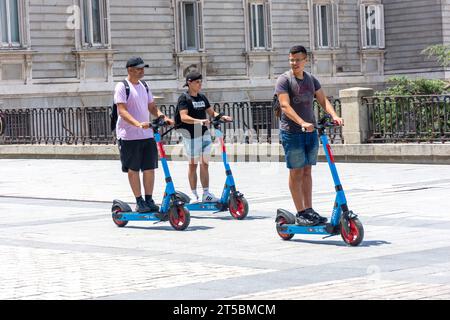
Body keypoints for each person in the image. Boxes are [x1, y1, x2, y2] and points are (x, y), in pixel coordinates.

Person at [275, 45, 344, 226]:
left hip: (310, 132)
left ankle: (309, 209)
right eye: (291, 59)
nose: (294, 63)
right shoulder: (284, 80)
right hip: (292, 132)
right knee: (296, 171)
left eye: (298, 60)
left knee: (307, 171)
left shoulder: (311, 80)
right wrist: (302, 122)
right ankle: (300, 212)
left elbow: (323, 100)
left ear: (306, 60)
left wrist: (334, 115)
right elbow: (284, 106)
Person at [114, 56, 174, 213]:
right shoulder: (122, 86)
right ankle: (139, 201)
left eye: (143, 68)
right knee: (133, 169)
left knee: (149, 168)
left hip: (147, 134)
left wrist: (163, 117)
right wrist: (137, 124)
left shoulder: (145, 86)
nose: (142, 71)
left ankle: (149, 199)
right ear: (130, 70)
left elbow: (152, 107)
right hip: (129, 136)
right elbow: (122, 110)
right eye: (139, 69)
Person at [176, 71, 232, 203]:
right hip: (191, 135)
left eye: (201, 81)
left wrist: (221, 116)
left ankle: (206, 193)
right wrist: (199, 121)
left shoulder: (202, 97)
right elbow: (183, 117)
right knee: (193, 165)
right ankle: (194, 195)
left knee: (205, 164)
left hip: (204, 134)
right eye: (197, 82)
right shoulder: (184, 98)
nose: (200, 84)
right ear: (189, 83)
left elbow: (211, 112)